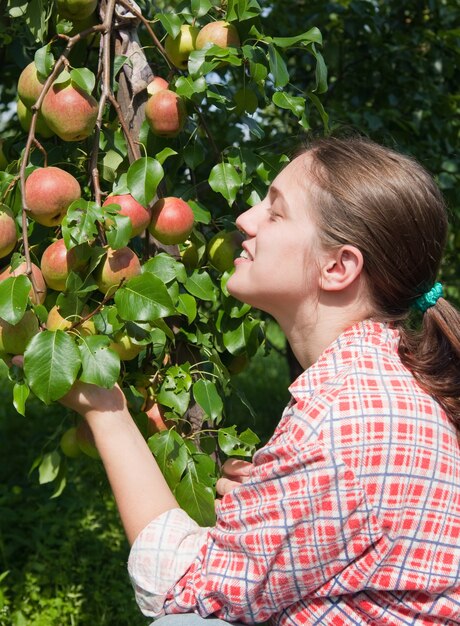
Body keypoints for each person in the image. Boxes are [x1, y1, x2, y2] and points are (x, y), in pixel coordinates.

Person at [59, 136, 460, 625]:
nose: (245, 221)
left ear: (338, 267)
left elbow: (184, 591)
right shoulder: (381, 385)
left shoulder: (340, 417)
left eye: (275, 212)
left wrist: (107, 411)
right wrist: (276, 496)